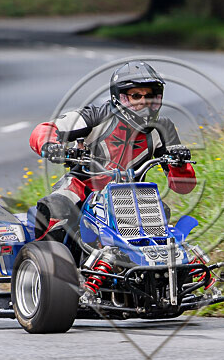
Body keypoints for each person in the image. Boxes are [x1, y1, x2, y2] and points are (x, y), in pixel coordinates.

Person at [28, 61, 197, 242]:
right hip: (83, 188)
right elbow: (46, 129)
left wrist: (179, 165)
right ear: (120, 98)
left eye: (150, 96)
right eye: (136, 96)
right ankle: (48, 263)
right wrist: (51, 146)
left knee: (160, 213)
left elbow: (184, 187)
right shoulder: (95, 116)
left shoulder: (163, 128)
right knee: (56, 207)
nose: (144, 102)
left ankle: (159, 264)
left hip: (131, 194)